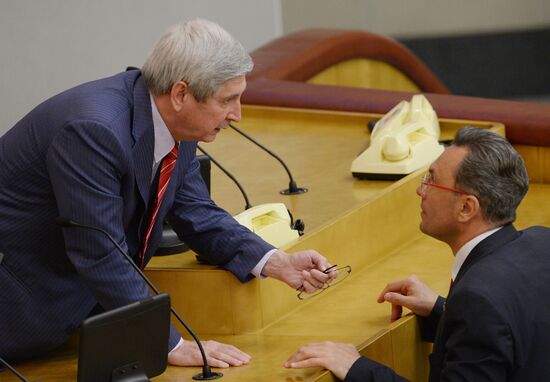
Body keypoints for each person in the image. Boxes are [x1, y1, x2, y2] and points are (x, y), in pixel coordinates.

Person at [0, 19, 336, 367]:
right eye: (228, 100)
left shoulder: (174, 124)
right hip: (17, 312)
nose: (238, 115)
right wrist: (169, 344)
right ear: (180, 94)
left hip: (74, 319)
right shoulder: (94, 130)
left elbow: (197, 213)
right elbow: (98, 249)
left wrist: (276, 262)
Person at [285, 126, 550, 381]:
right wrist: (444, 312)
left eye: (432, 180)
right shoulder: (542, 241)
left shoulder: (478, 300)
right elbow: (511, 332)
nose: (420, 190)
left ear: (467, 208)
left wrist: (357, 368)